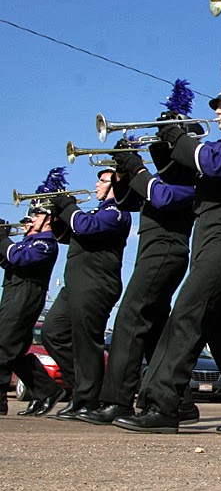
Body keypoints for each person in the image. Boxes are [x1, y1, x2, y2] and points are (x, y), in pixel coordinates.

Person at [114, 36, 221, 434]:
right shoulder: (218, 142)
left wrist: (180, 139)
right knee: (218, 327)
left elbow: (218, 165)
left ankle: (163, 405)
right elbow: (174, 182)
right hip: (207, 238)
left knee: (185, 314)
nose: (216, 109)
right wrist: (161, 148)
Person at [77, 80, 201, 426]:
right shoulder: (161, 173)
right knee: (155, 328)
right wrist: (122, 168)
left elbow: (161, 196)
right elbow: (132, 199)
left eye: (167, 136)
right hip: (153, 250)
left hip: (167, 250)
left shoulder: (191, 175)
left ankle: (116, 400)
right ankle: (181, 402)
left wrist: (136, 167)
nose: (161, 143)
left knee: (130, 316)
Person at [43, 166, 131, 419]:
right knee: (53, 332)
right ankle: (82, 389)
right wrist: (57, 213)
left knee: (86, 342)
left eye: (102, 182)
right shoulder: (96, 211)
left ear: (114, 186)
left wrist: (68, 205)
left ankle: (86, 399)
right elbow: (66, 234)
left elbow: (85, 227)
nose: (96, 186)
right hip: (75, 283)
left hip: (96, 283)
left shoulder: (117, 212)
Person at [0, 171, 66, 417]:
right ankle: (46, 390)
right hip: (13, 293)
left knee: (3, 345)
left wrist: (3, 239)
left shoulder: (45, 243)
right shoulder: (28, 241)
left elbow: (19, 258)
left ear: (48, 218)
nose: (28, 221)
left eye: (35, 215)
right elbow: (9, 262)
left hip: (27, 296)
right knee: (14, 352)